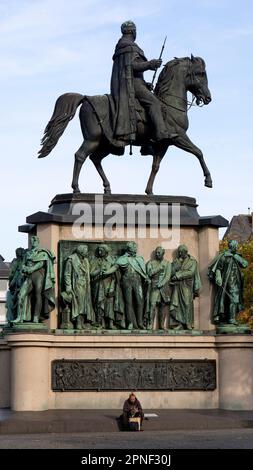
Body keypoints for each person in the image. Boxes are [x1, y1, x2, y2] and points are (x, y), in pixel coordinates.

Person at [110, 20, 178, 144]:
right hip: (131, 85)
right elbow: (133, 66)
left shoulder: (122, 46)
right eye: (135, 31)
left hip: (131, 83)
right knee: (155, 103)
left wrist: (145, 84)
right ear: (132, 31)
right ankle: (161, 133)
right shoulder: (129, 46)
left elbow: (131, 71)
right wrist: (150, 64)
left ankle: (146, 144)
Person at [14, 236, 55, 323]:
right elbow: (23, 264)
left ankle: (36, 317)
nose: (33, 242)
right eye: (31, 241)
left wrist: (31, 269)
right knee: (21, 295)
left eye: (34, 241)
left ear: (38, 242)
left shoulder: (43, 253)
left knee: (38, 295)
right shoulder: (27, 254)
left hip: (38, 275)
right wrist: (24, 268)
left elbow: (41, 263)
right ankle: (19, 317)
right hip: (29, 276)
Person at [208, 240, 248, 325]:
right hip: (228, 281)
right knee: (234, 299)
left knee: (232, 299)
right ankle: (231, 319)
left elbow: (245, 264)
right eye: (236, 246)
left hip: (236, 282)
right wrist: (218, 277)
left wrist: (236, 256)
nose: (237, 247)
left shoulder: (236, 256)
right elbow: (218, 268)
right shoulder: (224, 256)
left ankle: (229, 318)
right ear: (233, 246)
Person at [90, 244, 125, 329]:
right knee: (99, 304)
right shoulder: (95, 261)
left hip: (109, 285)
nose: (99, 252)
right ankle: (100, 323)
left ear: (106, 251)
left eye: (101, 250)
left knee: (110, 304)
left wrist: (112, 287)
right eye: (99, 250)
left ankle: (110, 323)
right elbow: (91, 273)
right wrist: (99, 270)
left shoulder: (112, 261)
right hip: (98, 285)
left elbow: (116, 276)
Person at [116, 241, 149, 329]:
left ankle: (140, 322)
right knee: (128, 302)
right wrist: (106, 272)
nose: (135, 249)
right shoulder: (122, 259)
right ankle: (130, 322)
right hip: (127, 281)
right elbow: (115, 267)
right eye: (133, 248)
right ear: (129, 249)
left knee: (140, 301)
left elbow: (143, 272)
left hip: (137, 281)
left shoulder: (139, 259)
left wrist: (147, 278)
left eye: (135, 248)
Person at [61, 244, 95, 329]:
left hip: (85, 286)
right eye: (86, 250)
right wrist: (68, 287)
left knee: (85, 305)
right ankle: (78, 323)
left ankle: (82, 322)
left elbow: (88, 273)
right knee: (78, 304)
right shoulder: (71, 259)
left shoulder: (86, 260)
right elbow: (67, 274)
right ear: (81, 251)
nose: (87, 252)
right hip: (76, 285)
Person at [169, 245, 201, 330]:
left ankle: (187, 323)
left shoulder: (192, 261)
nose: (179, 254)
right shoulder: (176, 261)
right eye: (179, 252)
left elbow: (191, 272)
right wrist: (175, 265)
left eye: (181, 252)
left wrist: (178, 275)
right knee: (176, 304)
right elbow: (171, 272)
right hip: (177, 286)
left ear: (186, 252)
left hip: (187, 286)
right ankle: (178, 323)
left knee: (187, 304)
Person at [146, 246, 171, 329]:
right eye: (156, 252)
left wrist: (161, 283)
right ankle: (150, 324)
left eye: (159, 253)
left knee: (163, 306)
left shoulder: (167, 263)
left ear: (163, 253)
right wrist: (158, 268)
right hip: (154, 287)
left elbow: (168, 275)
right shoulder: (151, 263)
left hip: (163, 287)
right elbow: (149, 273)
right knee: (152, 305)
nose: (157, 254)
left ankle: (161, 325)